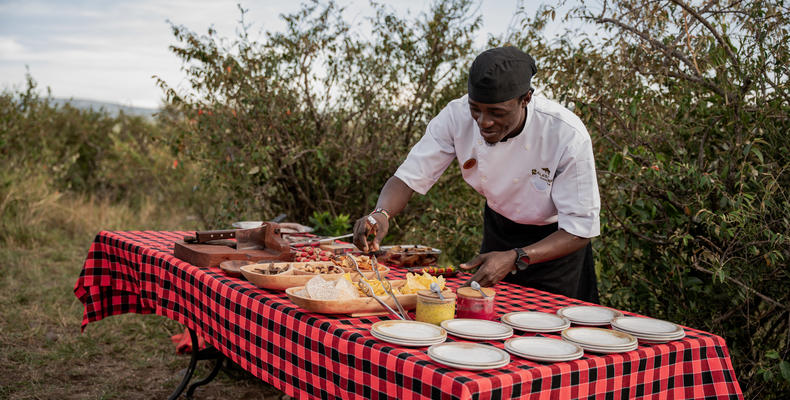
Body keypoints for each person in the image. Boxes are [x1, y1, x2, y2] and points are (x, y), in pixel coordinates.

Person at [352, 46, 601, 303]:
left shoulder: (566, 134)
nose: (483, 122)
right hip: (499, 232)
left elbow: (579, 230)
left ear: (526, 98)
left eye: (497, 113)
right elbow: (409, 175)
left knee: (549, 332)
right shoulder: (455, 116)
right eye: (476, 110)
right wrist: (381, 213)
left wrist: (517, 256)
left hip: (555, 248)